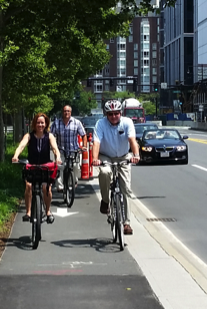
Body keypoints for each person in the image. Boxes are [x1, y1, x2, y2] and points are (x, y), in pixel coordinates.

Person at [92, 99, 140, 235]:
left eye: (116, 113)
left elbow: (132, 140)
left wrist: (136, 155)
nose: (113, 117)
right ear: (106, 114)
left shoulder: (127, 122)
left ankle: (127, 223)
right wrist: (95, 159)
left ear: (121, 113)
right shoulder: (100, 124)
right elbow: (96, 143)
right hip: (106, 156)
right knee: (105, 172)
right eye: (110, 114)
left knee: (126, 190)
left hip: (124, 156)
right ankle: (106, 201)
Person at [12, 113, 62, 223]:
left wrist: (57, 157)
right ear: (34, 124)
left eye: (42, 123)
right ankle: (28, 212)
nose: (40, 125)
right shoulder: (29, 136)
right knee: (29, 186)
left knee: (46, 188)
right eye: (38, 122)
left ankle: (48, 211)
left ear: (46, 124)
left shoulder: (49, 136)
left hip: (45, 166)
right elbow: (21, 146)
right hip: (32, 166)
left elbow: (55, 148)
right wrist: (16, 156)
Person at [51, 105, 86, 193]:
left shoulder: (76, 122)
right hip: (61, 150)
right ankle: (60, 186)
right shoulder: (56, 123)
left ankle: (74, 182)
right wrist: (52, 146)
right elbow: (50, 136)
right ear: (62, 112)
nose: (66, 113)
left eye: (68, 111)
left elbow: (84, 134)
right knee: (60, 167)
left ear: (71, 112)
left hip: (73, 150)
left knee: (75, 166)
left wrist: (84, 146)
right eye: (64, 111)